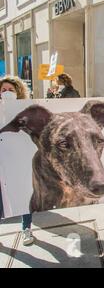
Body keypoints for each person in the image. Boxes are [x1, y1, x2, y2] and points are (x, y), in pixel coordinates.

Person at [0, 76, 35, 246]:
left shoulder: (25, 111)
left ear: (18, 92)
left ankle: (26, 228)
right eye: (3, 90)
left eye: (11, 90)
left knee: (23, 194)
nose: (7, 93)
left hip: (19, 160)